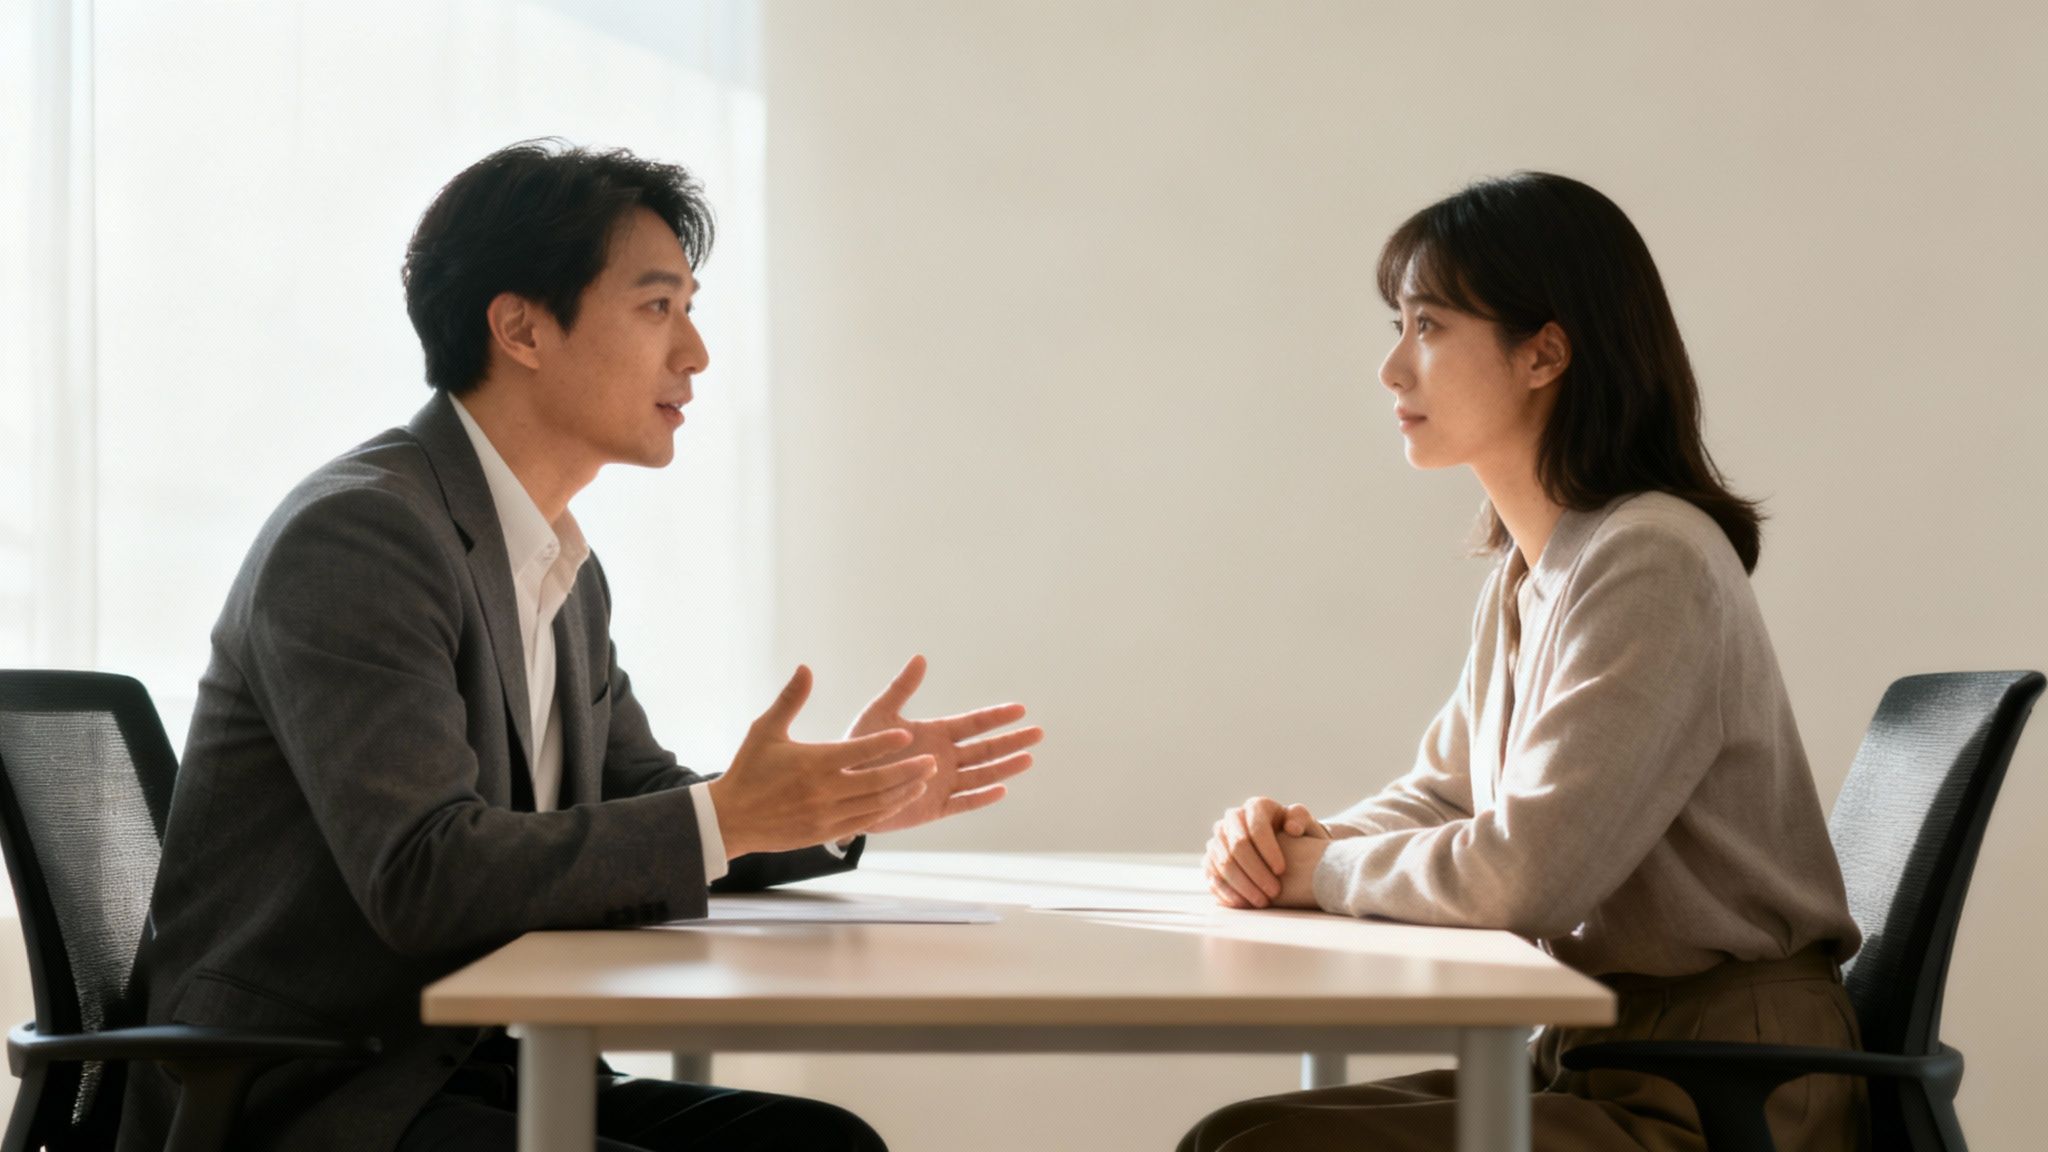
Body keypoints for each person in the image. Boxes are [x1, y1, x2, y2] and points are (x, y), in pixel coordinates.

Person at [116, 140, 1041, 1152]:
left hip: (480, 1067)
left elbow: (641, 799)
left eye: (690, 309)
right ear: (520, 327)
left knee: (821, 1144)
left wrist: (831, 800)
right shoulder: (361, 536)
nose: (694, 354)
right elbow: (423, 874)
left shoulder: (557, 563)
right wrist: (727, 817)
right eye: (658, 308)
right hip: (321, 1094)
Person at [1183, 172, 1864, 1152]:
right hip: (1600, 1053)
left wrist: (1319, 871)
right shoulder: (1530, 572)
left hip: (1726, 1089)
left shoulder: (1650, 560)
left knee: (1260, 1151)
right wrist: (1288, 845)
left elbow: (1525, 876)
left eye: (1425, 326)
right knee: (1233, 1137)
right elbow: (1446, 796)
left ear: (1542, 352)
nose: (1390, 372)